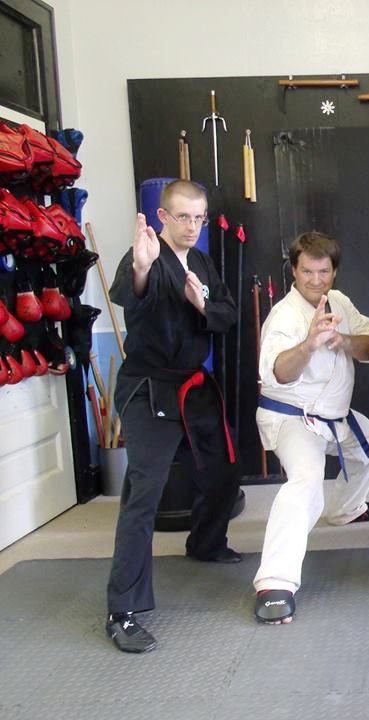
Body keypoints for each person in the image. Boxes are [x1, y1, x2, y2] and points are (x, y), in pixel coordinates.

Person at [106, 179, 241, 653]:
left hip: (192, 384)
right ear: (162, 216)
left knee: (224, 469)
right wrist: (142, 269)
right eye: (183, 216)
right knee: (145, 492)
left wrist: (203, 304)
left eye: (199, 217)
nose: (192, 226)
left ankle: (205, 543)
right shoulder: (143, 254)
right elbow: (132, 294)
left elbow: (227, 314)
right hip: (149, 387)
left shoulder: (202, 262)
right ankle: (122, 610)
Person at [253, 231, 369, 624]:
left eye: (323, 272)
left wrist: (343, 340)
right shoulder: (284, 316)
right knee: (306, 482)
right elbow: (278, 372)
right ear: (294, 271)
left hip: (333, 418)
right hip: (292, 417)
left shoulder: (340, 301)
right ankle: (275, 583)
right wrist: (309, 344)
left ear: (334, 271)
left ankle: (345, 509)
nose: (315, 280)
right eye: (307, 271)